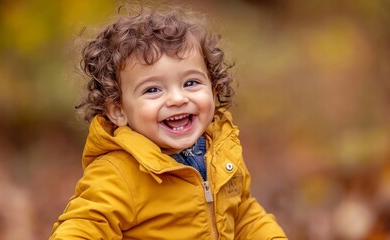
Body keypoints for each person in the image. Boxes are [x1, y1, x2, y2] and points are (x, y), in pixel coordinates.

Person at [50, 3, 287, 239]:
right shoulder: (118, 173)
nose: (177, 99)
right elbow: (84, 225)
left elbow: (244, 214)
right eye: (153, 89)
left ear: (214, 91)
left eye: (191, 83)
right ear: (118, 111)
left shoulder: (222, 152)